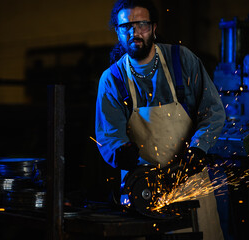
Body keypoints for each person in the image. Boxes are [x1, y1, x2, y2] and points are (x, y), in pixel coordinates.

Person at [95, 0, 226, 239]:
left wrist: (198, 148)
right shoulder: (112, 79)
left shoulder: (182, 60)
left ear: (153, 28)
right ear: (117, 31)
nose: (135, 32)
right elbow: (109, 136)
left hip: (189, 184)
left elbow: (213, 111)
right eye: (126, 26)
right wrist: (120, 152)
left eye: (142, 24)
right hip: (142, 188)